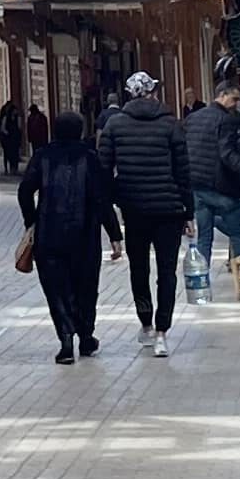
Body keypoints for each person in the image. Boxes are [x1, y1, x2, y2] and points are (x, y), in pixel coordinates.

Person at [96, 69, 189, 355]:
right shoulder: (171, 123)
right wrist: (189, 211)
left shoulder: (114, 125)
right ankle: (163, 331)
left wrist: (118, 195)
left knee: (139, 268)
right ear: (152, 93)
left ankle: (146, 323)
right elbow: (183, 171)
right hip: (169, 209)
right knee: (167, 271)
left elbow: (103, 170)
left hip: (134, 209)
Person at [19, 106, 104, 365]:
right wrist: (114, 234)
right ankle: (86, 336)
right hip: (85, 235)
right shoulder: (89, 158)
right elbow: (101, 198)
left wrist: (31, 221)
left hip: (49, 233)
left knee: (56, 288)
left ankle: (66, 339)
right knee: (86, 286)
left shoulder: (43, 156)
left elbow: (25, 191)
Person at [183, 69, 240, 301]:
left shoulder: (193, 118)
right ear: (222, 96)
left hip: (197, 186)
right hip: (219, 187)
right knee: (237, 233)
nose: (236, 104)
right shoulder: (226, 120)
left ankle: (202, 285)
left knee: (204, 237)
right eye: (234, 99)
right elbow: (227, 155)